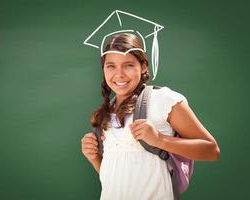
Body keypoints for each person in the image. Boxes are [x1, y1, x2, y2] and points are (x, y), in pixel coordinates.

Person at [81, 33, 220, 200]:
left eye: (128, 65)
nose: (119, 74)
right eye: (111, 66)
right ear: (103, 69)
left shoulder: (162, 99)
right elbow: (116, 176)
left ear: (144, 66)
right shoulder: (106, 113)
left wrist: (159, 139)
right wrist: (95, 158)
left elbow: (211, 151)